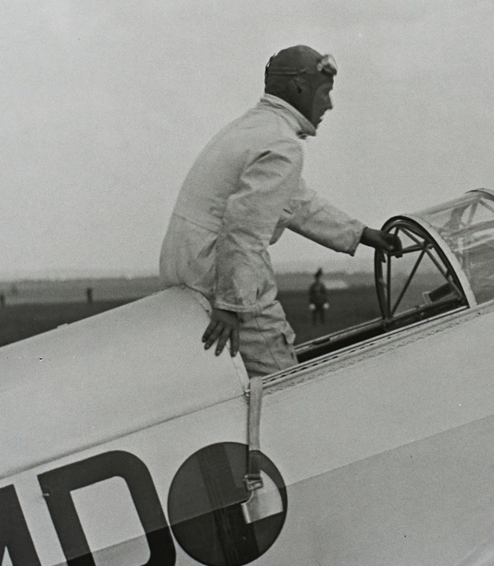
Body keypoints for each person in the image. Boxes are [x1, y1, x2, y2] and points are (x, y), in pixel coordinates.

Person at [159, 45, 398, 374]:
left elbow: (295, 201)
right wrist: (232, 305)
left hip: (190, 267)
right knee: (281, 381)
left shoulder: (254, 128)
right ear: (300, 88)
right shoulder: (282, 145)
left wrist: (360, 234)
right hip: (224, 277)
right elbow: (244, 229)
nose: (328, 104)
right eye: (324, 92)